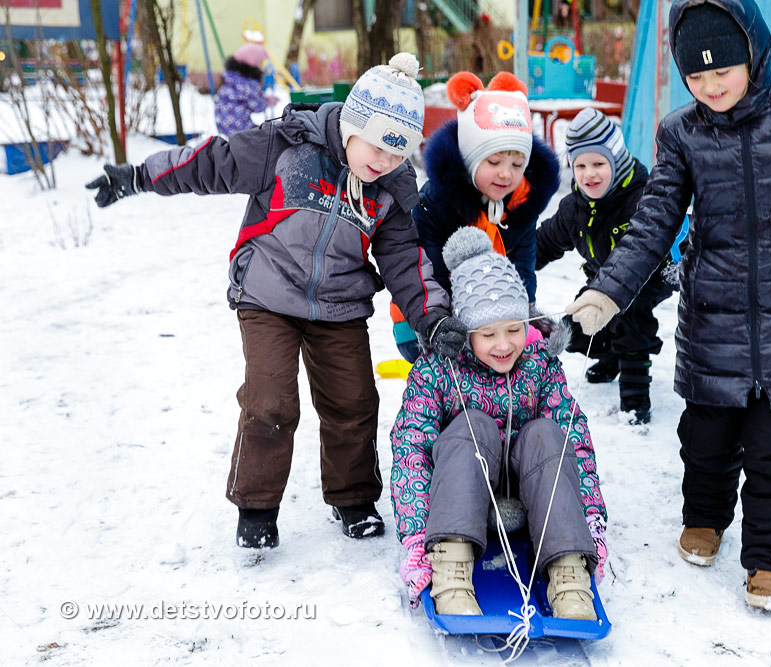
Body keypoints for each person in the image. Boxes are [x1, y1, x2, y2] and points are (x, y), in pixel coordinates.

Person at [565, 0, 771, 611]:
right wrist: (609, 289)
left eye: (723, 72)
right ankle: (705, 518)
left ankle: (769, 559)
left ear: (753, 54)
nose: (711, 87)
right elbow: (656, 220)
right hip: (714, 317)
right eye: (697, 77)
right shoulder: (680, 132)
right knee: (706, 439)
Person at [86, 53, 468, 548]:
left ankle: (352, 497)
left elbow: (404, 259)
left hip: (340, 303)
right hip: (267, 293)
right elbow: (209, 162)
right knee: (271, 401)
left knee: (353, 401)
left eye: (398, 154)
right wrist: (138, 176)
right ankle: (257, 507)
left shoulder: (391, 188)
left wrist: (433, 317)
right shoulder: (288, 146)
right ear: (353, 123)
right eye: (377, 147)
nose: (385, 163)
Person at [391, 227, 608, 619]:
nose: (504, 344)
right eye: (488, 333)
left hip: (531, 503)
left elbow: (575, 441)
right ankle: (450, 568)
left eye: (514, 329)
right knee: (471, 425)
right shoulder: (438, 370)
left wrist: (590, 517)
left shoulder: (539, 365)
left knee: (547, 433)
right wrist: (417, 538)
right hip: (457, 502)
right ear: (465, 331)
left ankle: (568, 571)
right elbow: (411, 450)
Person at [389, 70, 561, 362]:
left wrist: (521, 315)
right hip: (425, 318)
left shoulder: (522, 203)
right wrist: (444, 326)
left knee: (530, 348)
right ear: (470, 159)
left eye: (517, 164)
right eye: (493, 161)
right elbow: (429, 274)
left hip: (491, 317)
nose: (506, 174)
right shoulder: (435, 203)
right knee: (460, 355)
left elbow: (523, 270)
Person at [536, 108, 684, 425]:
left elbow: (660, 239)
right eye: (581, 165)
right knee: (575, 327)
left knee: (629, 317)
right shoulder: (574, 208)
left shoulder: (641, 199)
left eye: (599, 163)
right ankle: (611, 356)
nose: (590, 174)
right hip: (602, 279)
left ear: (616, 162)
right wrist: (510, 263)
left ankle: (635, 393)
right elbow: (544, 243)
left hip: (651, 274)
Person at [214, 42, 279, 136]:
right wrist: (267, 102)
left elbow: (243, 99)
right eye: (260, 62)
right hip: (241, 131)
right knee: (271, 135)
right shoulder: (249, 83)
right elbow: (257, 106)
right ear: (252, 63)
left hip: (225, 129)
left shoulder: (230, 78)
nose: (261, 66)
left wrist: (263, 98)